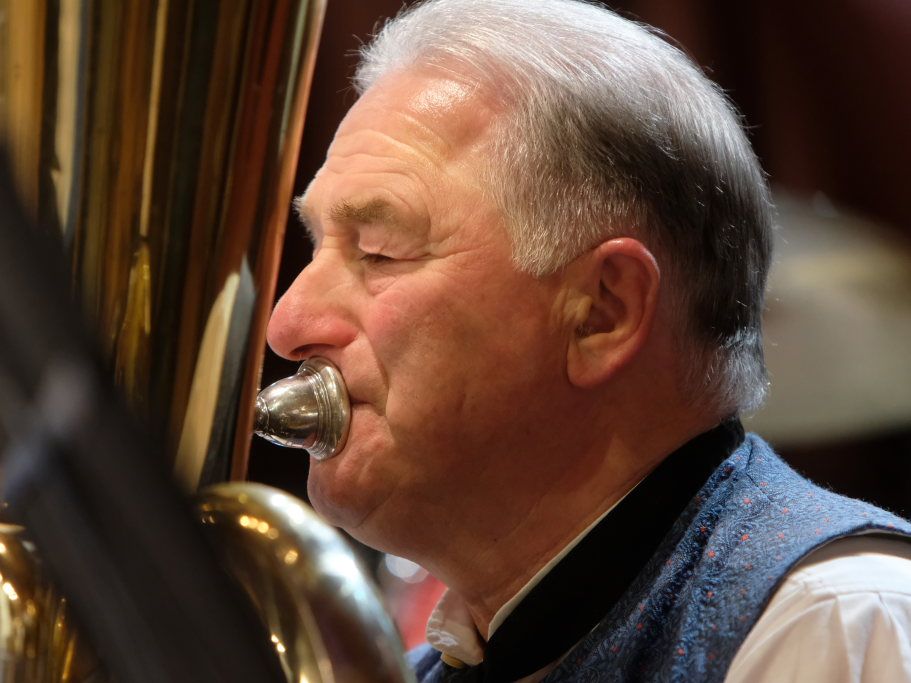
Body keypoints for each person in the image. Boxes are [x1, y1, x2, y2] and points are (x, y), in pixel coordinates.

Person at [266, 0, 911, 680]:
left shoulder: (838, 624)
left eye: (378, 251)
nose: (287, 323)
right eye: (316, 248)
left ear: (603, 312)